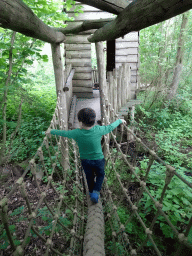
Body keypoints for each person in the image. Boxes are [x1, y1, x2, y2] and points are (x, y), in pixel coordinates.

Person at [47, 108, 126, 204]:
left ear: (80, 122)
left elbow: (64, 133)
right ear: (94, 120)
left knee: (89, 177)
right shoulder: (99, 129)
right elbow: (110, 127)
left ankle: (90, 191)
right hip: (98, 160)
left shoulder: (76, 132)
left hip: (85, 161)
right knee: (101, 175)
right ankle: (95, 193)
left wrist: (51, 131)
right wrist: (120, 120)